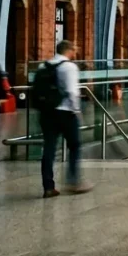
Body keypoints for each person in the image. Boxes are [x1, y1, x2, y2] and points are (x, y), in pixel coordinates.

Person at [37, 41, 90, 198]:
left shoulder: (44, 65)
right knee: (74, 146)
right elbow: (72, 92)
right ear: (68, 50)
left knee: (49, 149)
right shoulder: (70, 67)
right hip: (65, 112)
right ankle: (73, 182)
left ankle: (48, 187)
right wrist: (77, 110)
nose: (75, 53)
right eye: (74, 50)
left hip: (47, 113)